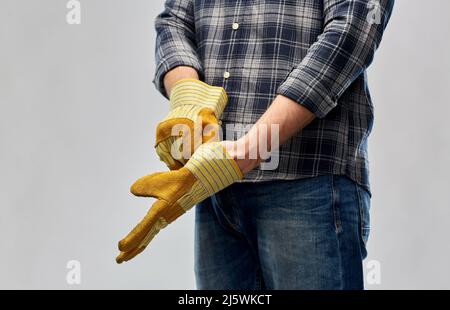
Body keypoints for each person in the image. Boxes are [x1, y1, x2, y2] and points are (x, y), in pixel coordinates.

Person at [116, 0, 394, 290]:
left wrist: (247, 152)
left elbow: (353, 30)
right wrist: (190, 100)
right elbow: (174, 20)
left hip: (308, 184)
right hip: (216, 190)